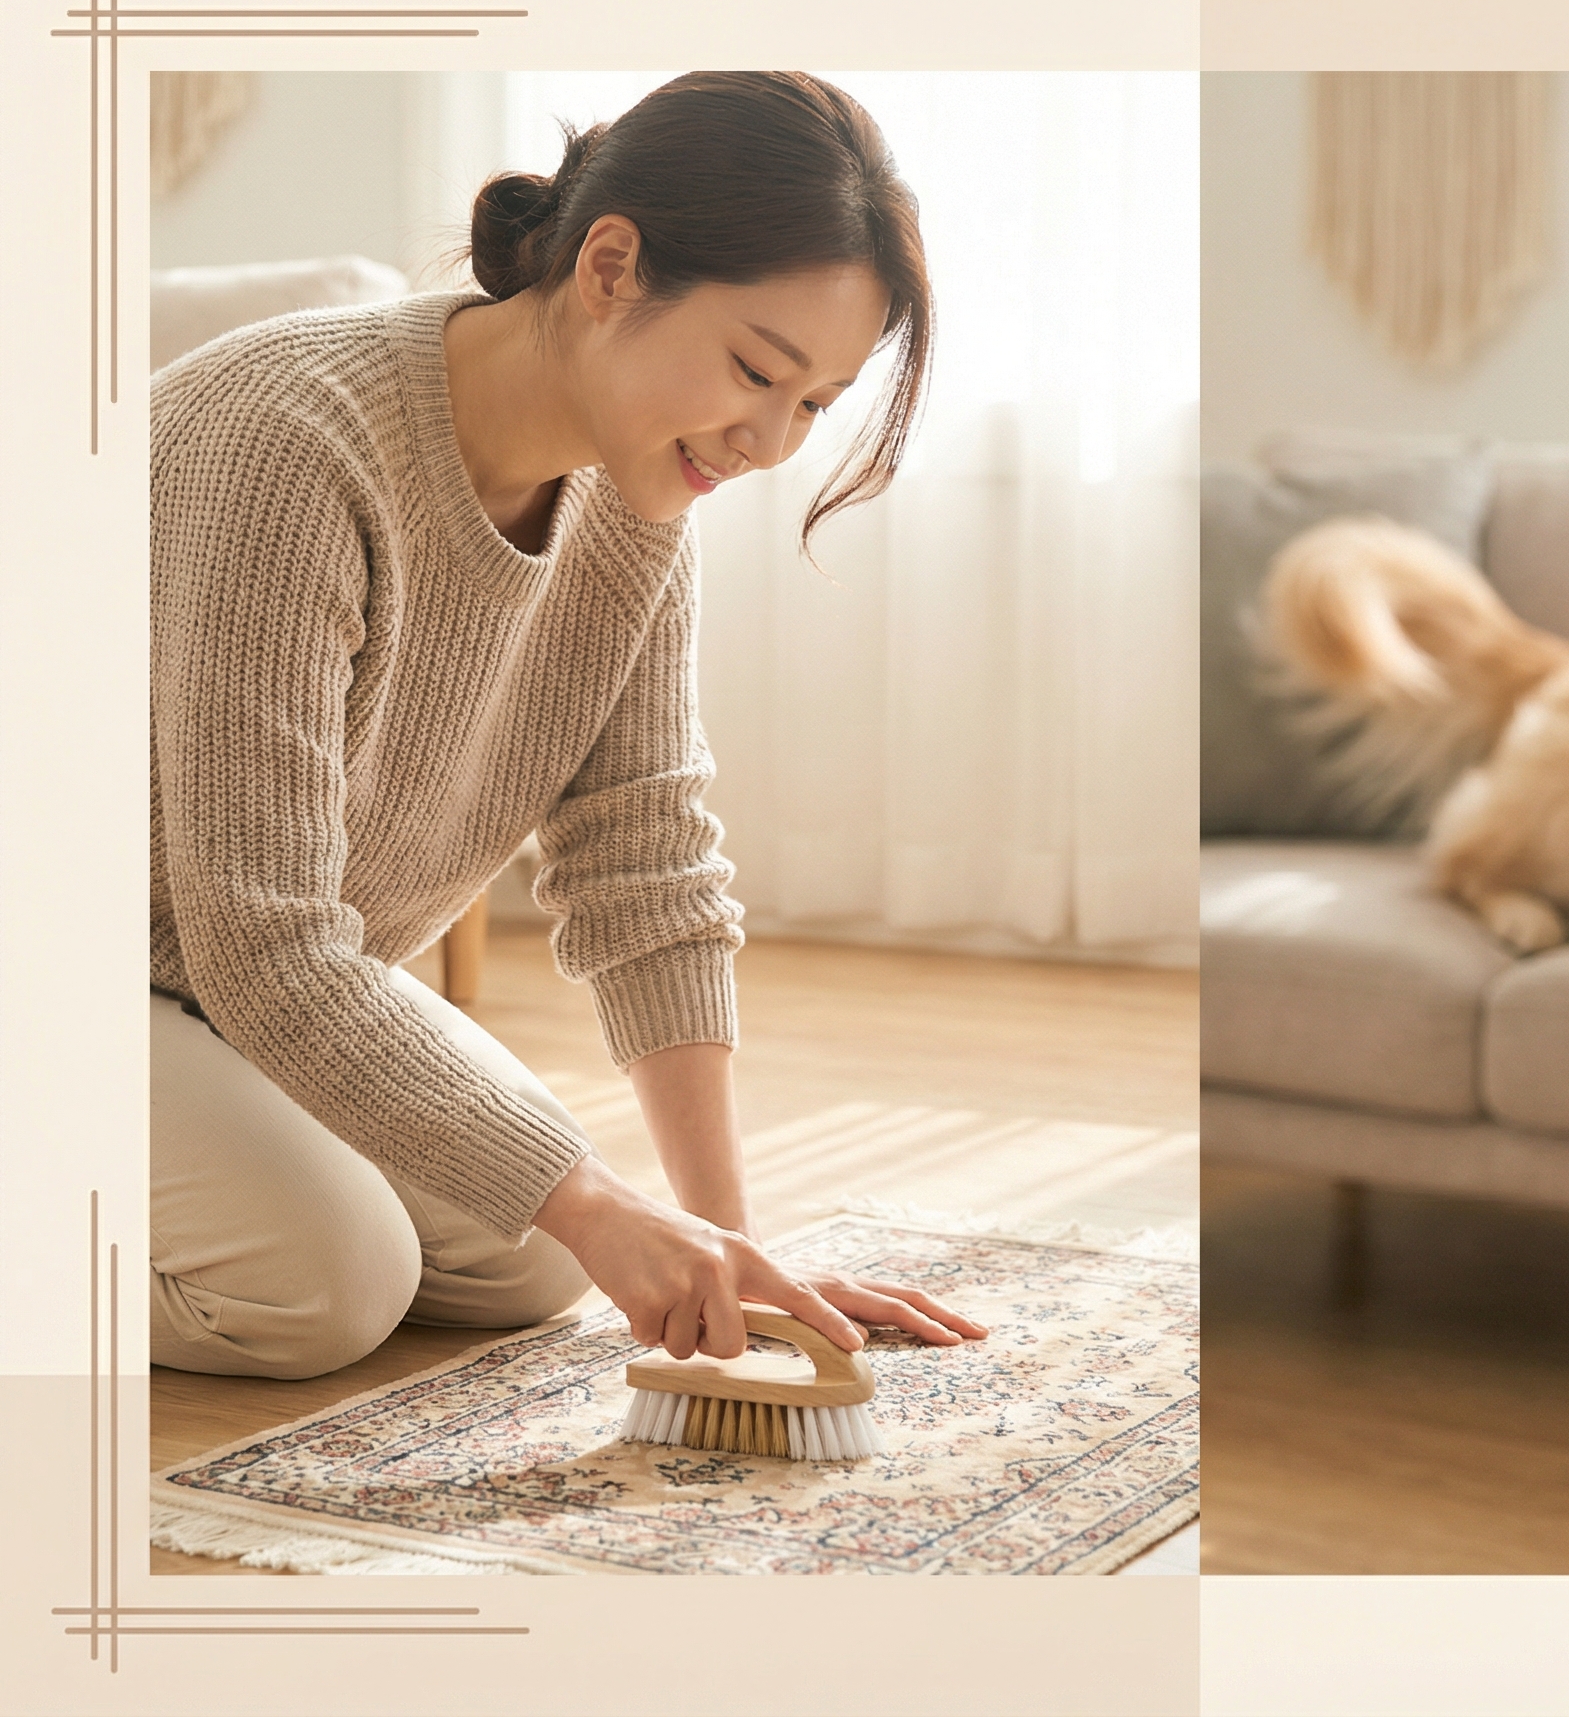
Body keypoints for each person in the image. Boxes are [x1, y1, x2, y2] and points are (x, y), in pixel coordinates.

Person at [149, 70, 985, 1380]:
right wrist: (603, 1204)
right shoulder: (288, 447)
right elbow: (266, 943)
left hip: (216, 994)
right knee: (328, 1284)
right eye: (756, 371)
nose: (769, 440)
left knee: (529, 1255)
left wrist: (720, 1241)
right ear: (610, 266)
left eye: (814, 404)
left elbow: (644, 863)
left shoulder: (636, 510)